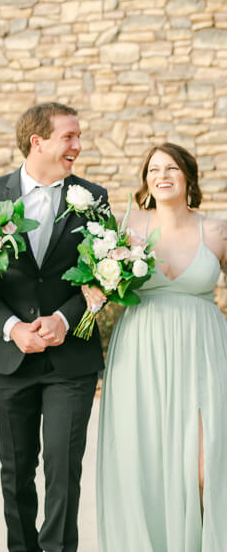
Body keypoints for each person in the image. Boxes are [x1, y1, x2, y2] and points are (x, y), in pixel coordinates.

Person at [0, 102, 106, 552]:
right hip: (10, 358)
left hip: (72, 360)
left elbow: (102, 273)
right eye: (69, 137)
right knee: (15, 469)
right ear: (38, 141)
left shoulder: (94, 198)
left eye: (77, 137)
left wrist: (67, 318)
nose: (77, 146)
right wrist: (12, 327)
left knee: (64, 468)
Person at [96, 143, 227, 550]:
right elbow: (103, 288)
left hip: (203, 350)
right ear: (146, 180)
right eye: (154, 169)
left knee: (207, 467)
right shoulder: (127, 225)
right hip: (140, 352)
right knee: (146, 463)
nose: (162, 175)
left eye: (171, 167)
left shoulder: (218, 231)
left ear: (188, 176)